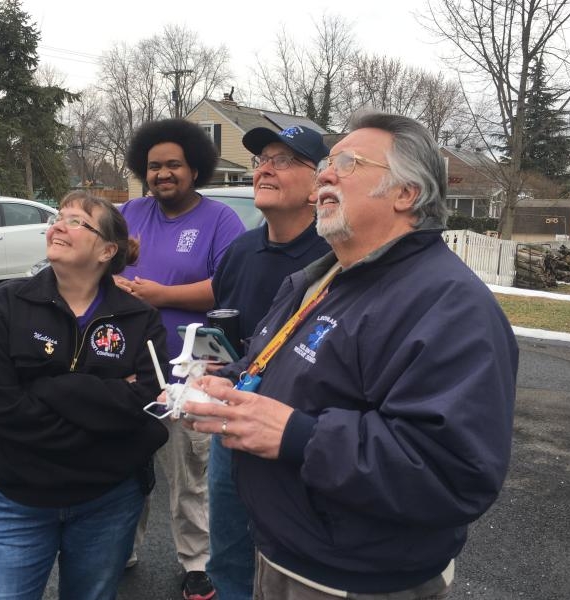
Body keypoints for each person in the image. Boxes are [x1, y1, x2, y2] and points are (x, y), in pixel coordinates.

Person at [185, 112, 518, 599]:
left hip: (354, 579)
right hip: (285, 550)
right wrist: (231, 382)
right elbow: (274, 363)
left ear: (407, 194)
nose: (324, 173)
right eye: (325, 163)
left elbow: (453, 472)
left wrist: (297, 435)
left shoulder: (449, 305)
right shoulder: (323, 277)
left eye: (347, 162)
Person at [0, 191, 169, 600]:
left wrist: (48, 385)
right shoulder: (4, 304)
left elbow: (150, 408)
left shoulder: (140, 318)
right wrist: (108, 403)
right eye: (59, 217)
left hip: (107, 501)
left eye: (77, 221)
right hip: (15, 498)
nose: (58, 225)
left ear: (107, 250)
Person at [117, 118, 246, 600]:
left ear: (195, 168)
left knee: (191, 473)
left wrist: (159, 294)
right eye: (154, 166)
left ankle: (197, 561)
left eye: (173, 164)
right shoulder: (129, 212)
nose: (162, 174)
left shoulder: (219, 220)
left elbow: (227, 288)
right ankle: (119, 548)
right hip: (130, 367)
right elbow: (100, 262)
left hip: (189, 370)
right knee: (125, 467)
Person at [207, 125, 331, 600]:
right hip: (231, 428)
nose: (263, 168)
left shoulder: (334, 256)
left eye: (283, 160)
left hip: (299, 437)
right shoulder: (239, 252)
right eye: (262, 159)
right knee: (229, 553)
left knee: (291, 564)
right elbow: (227, 332)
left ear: (318, 184)